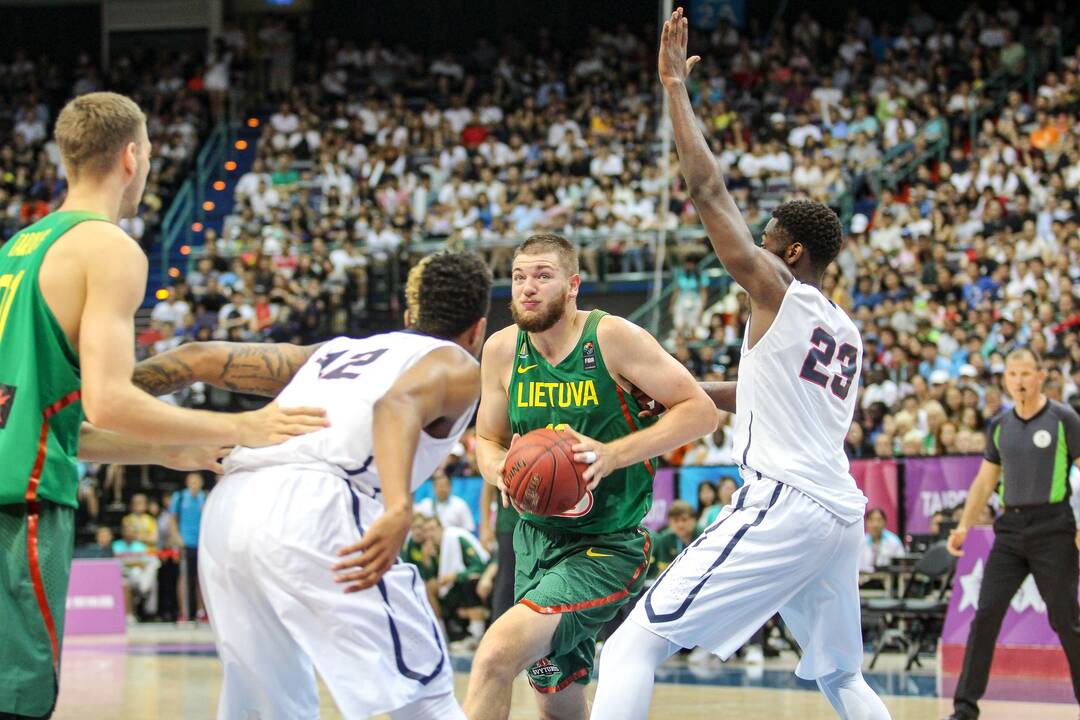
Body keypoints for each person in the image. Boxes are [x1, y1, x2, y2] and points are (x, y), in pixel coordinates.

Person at [590, 12, 891, 720]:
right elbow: (760, 392)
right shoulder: (843, 331)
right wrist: (677, 389)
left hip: (784, 501)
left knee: (632, 645)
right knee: (842, 677)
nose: (754, 245)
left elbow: (708, 193)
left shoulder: (778, 292)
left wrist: (673, 90)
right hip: (838, 514)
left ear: (788, 255)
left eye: (767, 239)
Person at [0, 91, 324, 719]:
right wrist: (243, 423)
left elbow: (55, 420)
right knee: (21, 699)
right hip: (25, 511)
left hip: (15, 484)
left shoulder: (15, 250)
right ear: (132, 156)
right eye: (147, 153)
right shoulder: (109, 248)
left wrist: (169, 447)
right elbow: (110, 398)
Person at [132, 251, 492, 719]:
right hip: (317, 506)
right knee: (423, 691)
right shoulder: (458, 363)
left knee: (267, 708)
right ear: (477, 330)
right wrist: (400, 508)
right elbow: (395, 406)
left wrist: (85, 397)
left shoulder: (333, 352)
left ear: (407, 316)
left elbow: (195, 357)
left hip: (233, 506)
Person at [463, 233, 716, 720]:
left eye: (542, 276)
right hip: (534, 541)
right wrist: (503, 473)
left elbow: (699, 411)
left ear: (573, 284)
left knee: (496, 654)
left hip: (607, 544)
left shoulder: (611, 337)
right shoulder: (501, 349)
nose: (528, 288)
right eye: (519, 277)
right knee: (557, 701)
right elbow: (487, 442)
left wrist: (612, 454)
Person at [945, 348, 1080, 720]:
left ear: (1040, 376)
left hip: (1054, 529)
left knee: (1067, 621)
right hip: (1010, 531)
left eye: (1025, 373)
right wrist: (963, 526)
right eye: (1012, 374)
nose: (1018, 380)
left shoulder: (1063, 418)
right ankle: (965, 708)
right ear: (1005, 379)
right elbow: (985, 481)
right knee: (985, 613)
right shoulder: (1000, 426)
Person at [171, 473, 208, 623]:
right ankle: (184, 612)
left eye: (197, 481)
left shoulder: (205, 497)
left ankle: (201, 612)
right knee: (184, 578)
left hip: (202, 543)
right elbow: (172, 520)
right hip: (185, 543)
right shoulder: (179, 497)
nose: (194, 484)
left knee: (202, 579)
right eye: (191, 481)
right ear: (187, 483)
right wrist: (177, 538)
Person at [648, 501, 700, 579]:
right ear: (670, 523)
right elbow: (664, 570)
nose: (680, 524)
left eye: (684, 519)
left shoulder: (704, 535)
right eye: (676, 520)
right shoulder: (665, 539)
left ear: (693, 520)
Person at [860, 507, 906, 573]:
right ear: (866, 523)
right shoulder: (861, 542)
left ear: (885, 522)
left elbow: (902, 565)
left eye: (879, 520)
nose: (875, 524)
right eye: (871, 520)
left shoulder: (894, 542)